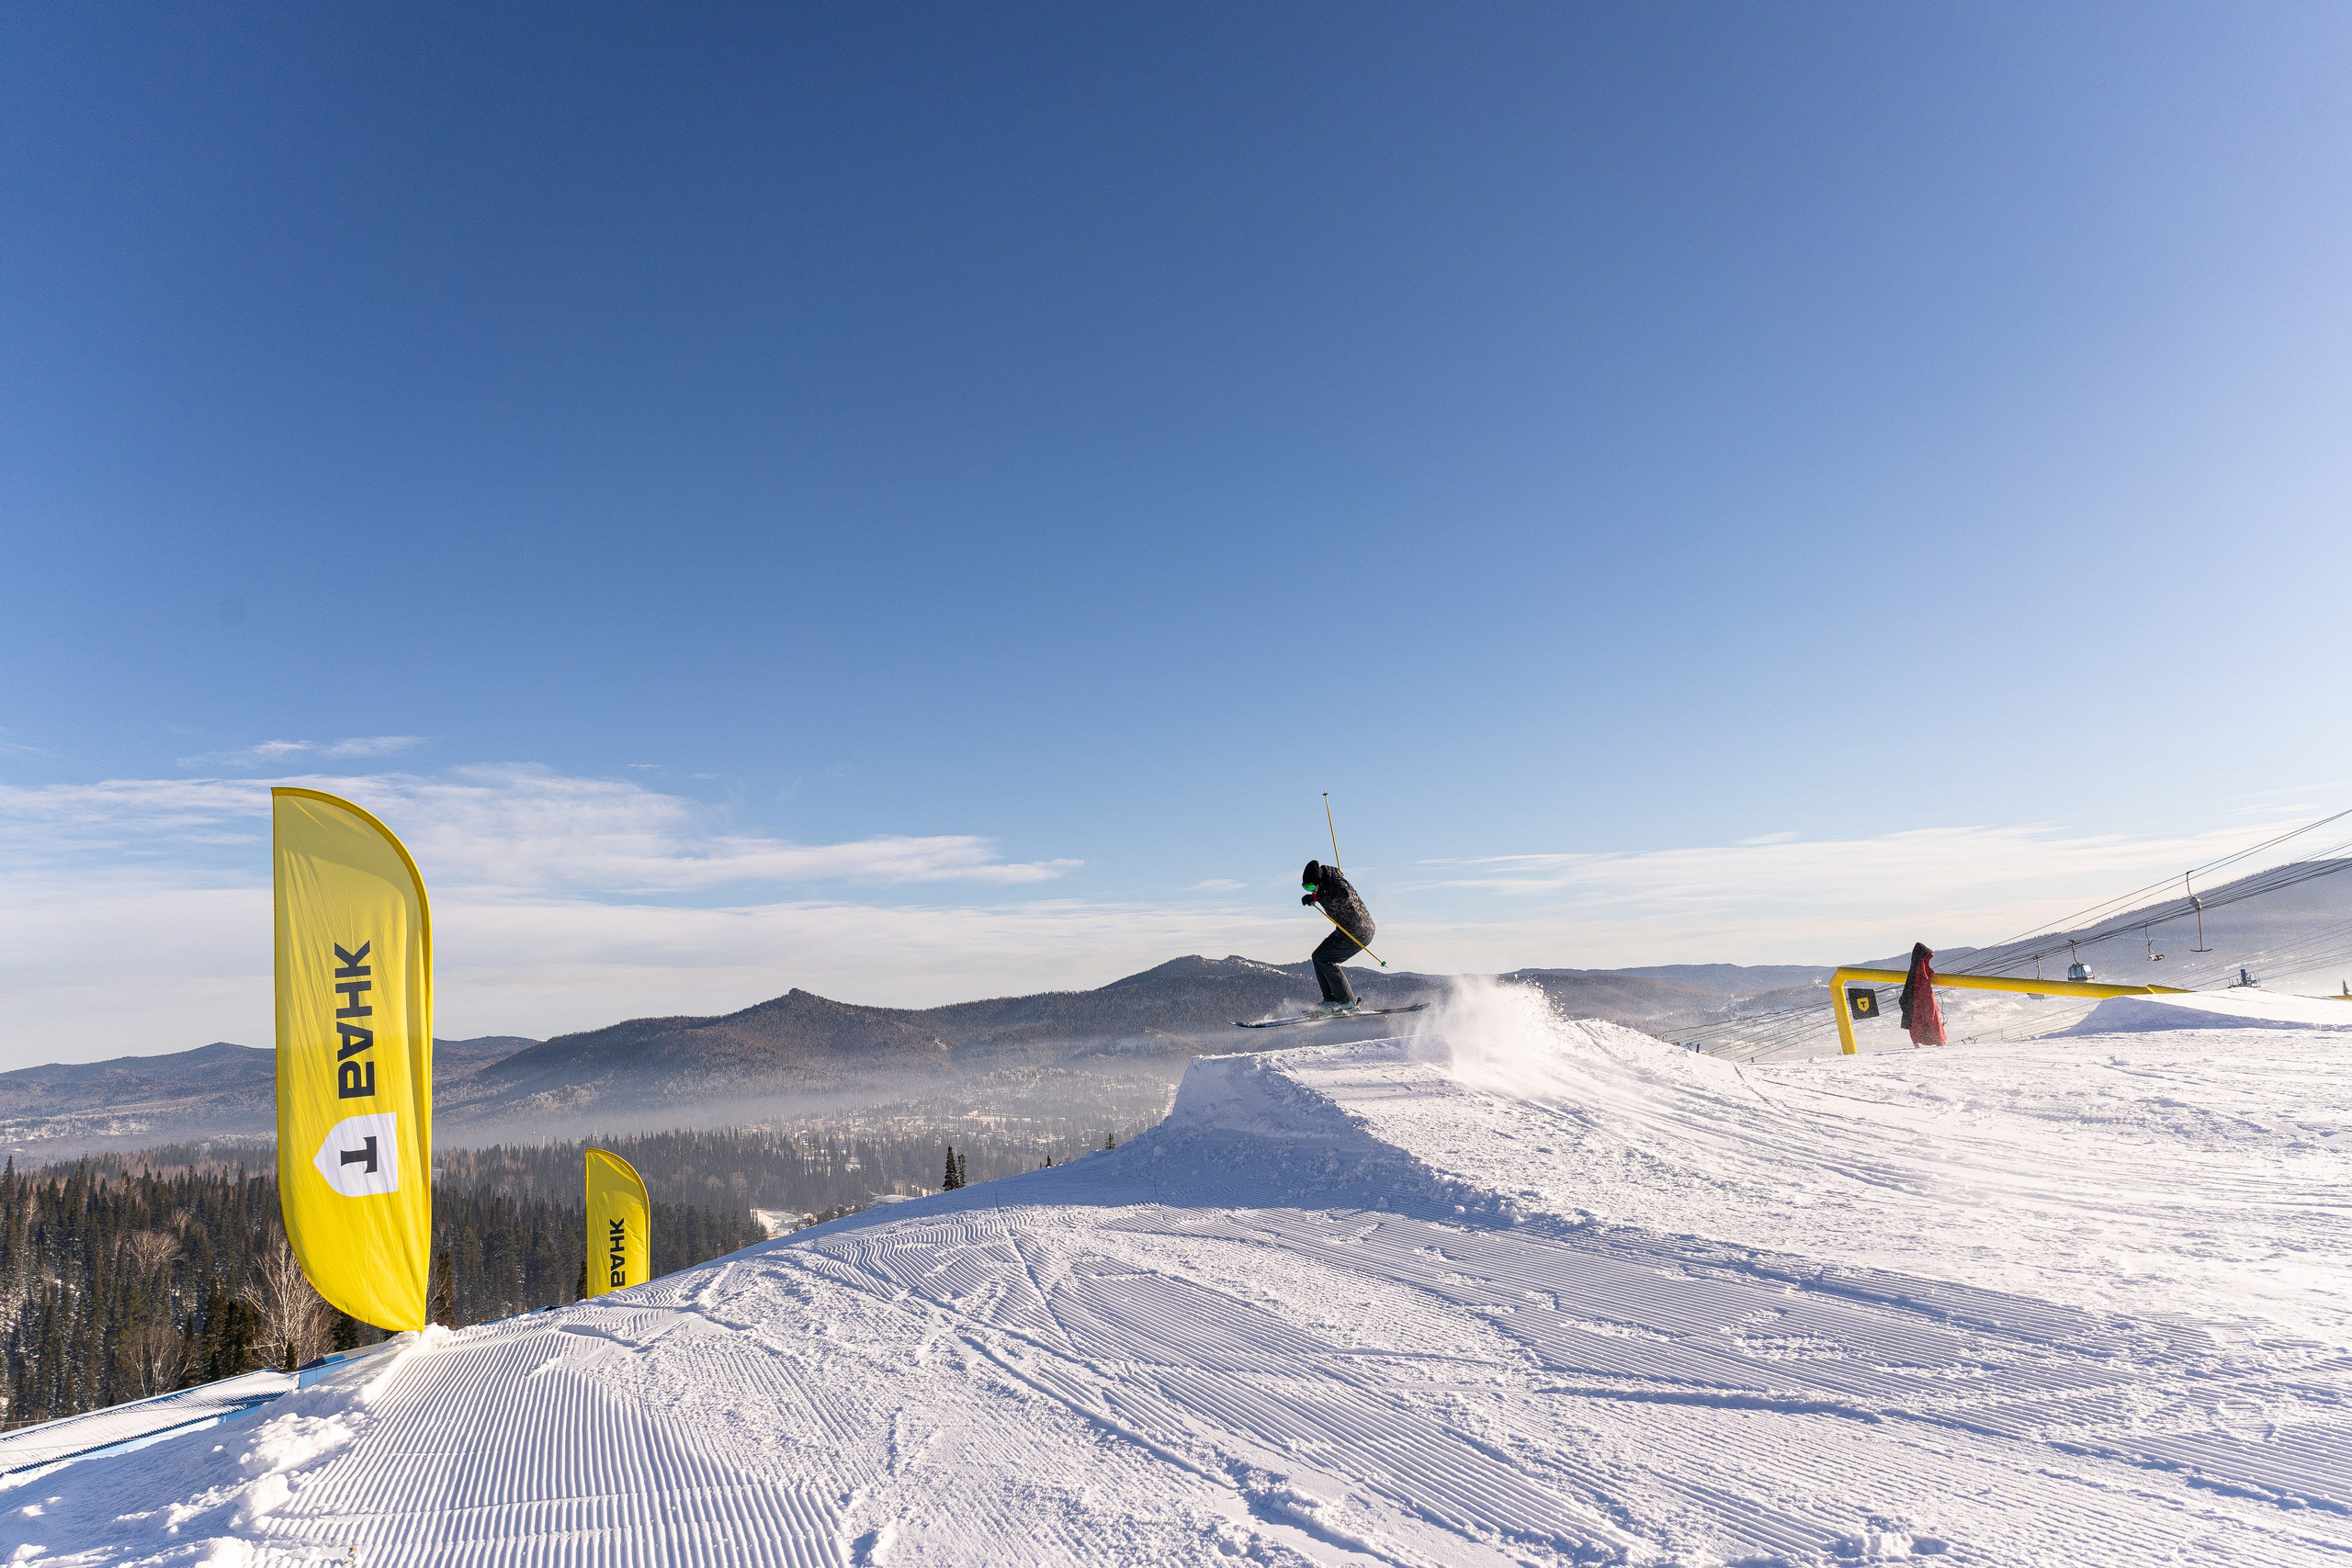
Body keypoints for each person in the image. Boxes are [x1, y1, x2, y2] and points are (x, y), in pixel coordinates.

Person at [1300, 860, 1374, 1013]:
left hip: (1358, 933)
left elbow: (1341, 896)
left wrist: (1316, 898)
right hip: (1345, 930)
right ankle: (1330, 1000)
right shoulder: (1328, 884)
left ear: (1320, 881)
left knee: (1325, 959)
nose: (1311, 890)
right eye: (1307, 887)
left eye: (1312, 886)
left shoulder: (1339, 887)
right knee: (1317, 956)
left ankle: (1346, 1002)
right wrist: (1315, 897)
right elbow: (1325, 894)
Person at [1898, 942, 1946, 1047]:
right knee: (1931, 1020)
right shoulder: (1919, 973)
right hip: (1923, 1000)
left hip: (1921, 1001)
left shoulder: (1915, 972)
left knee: (1923, 1021)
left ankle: (1928, 1041)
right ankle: (1938, 1041)